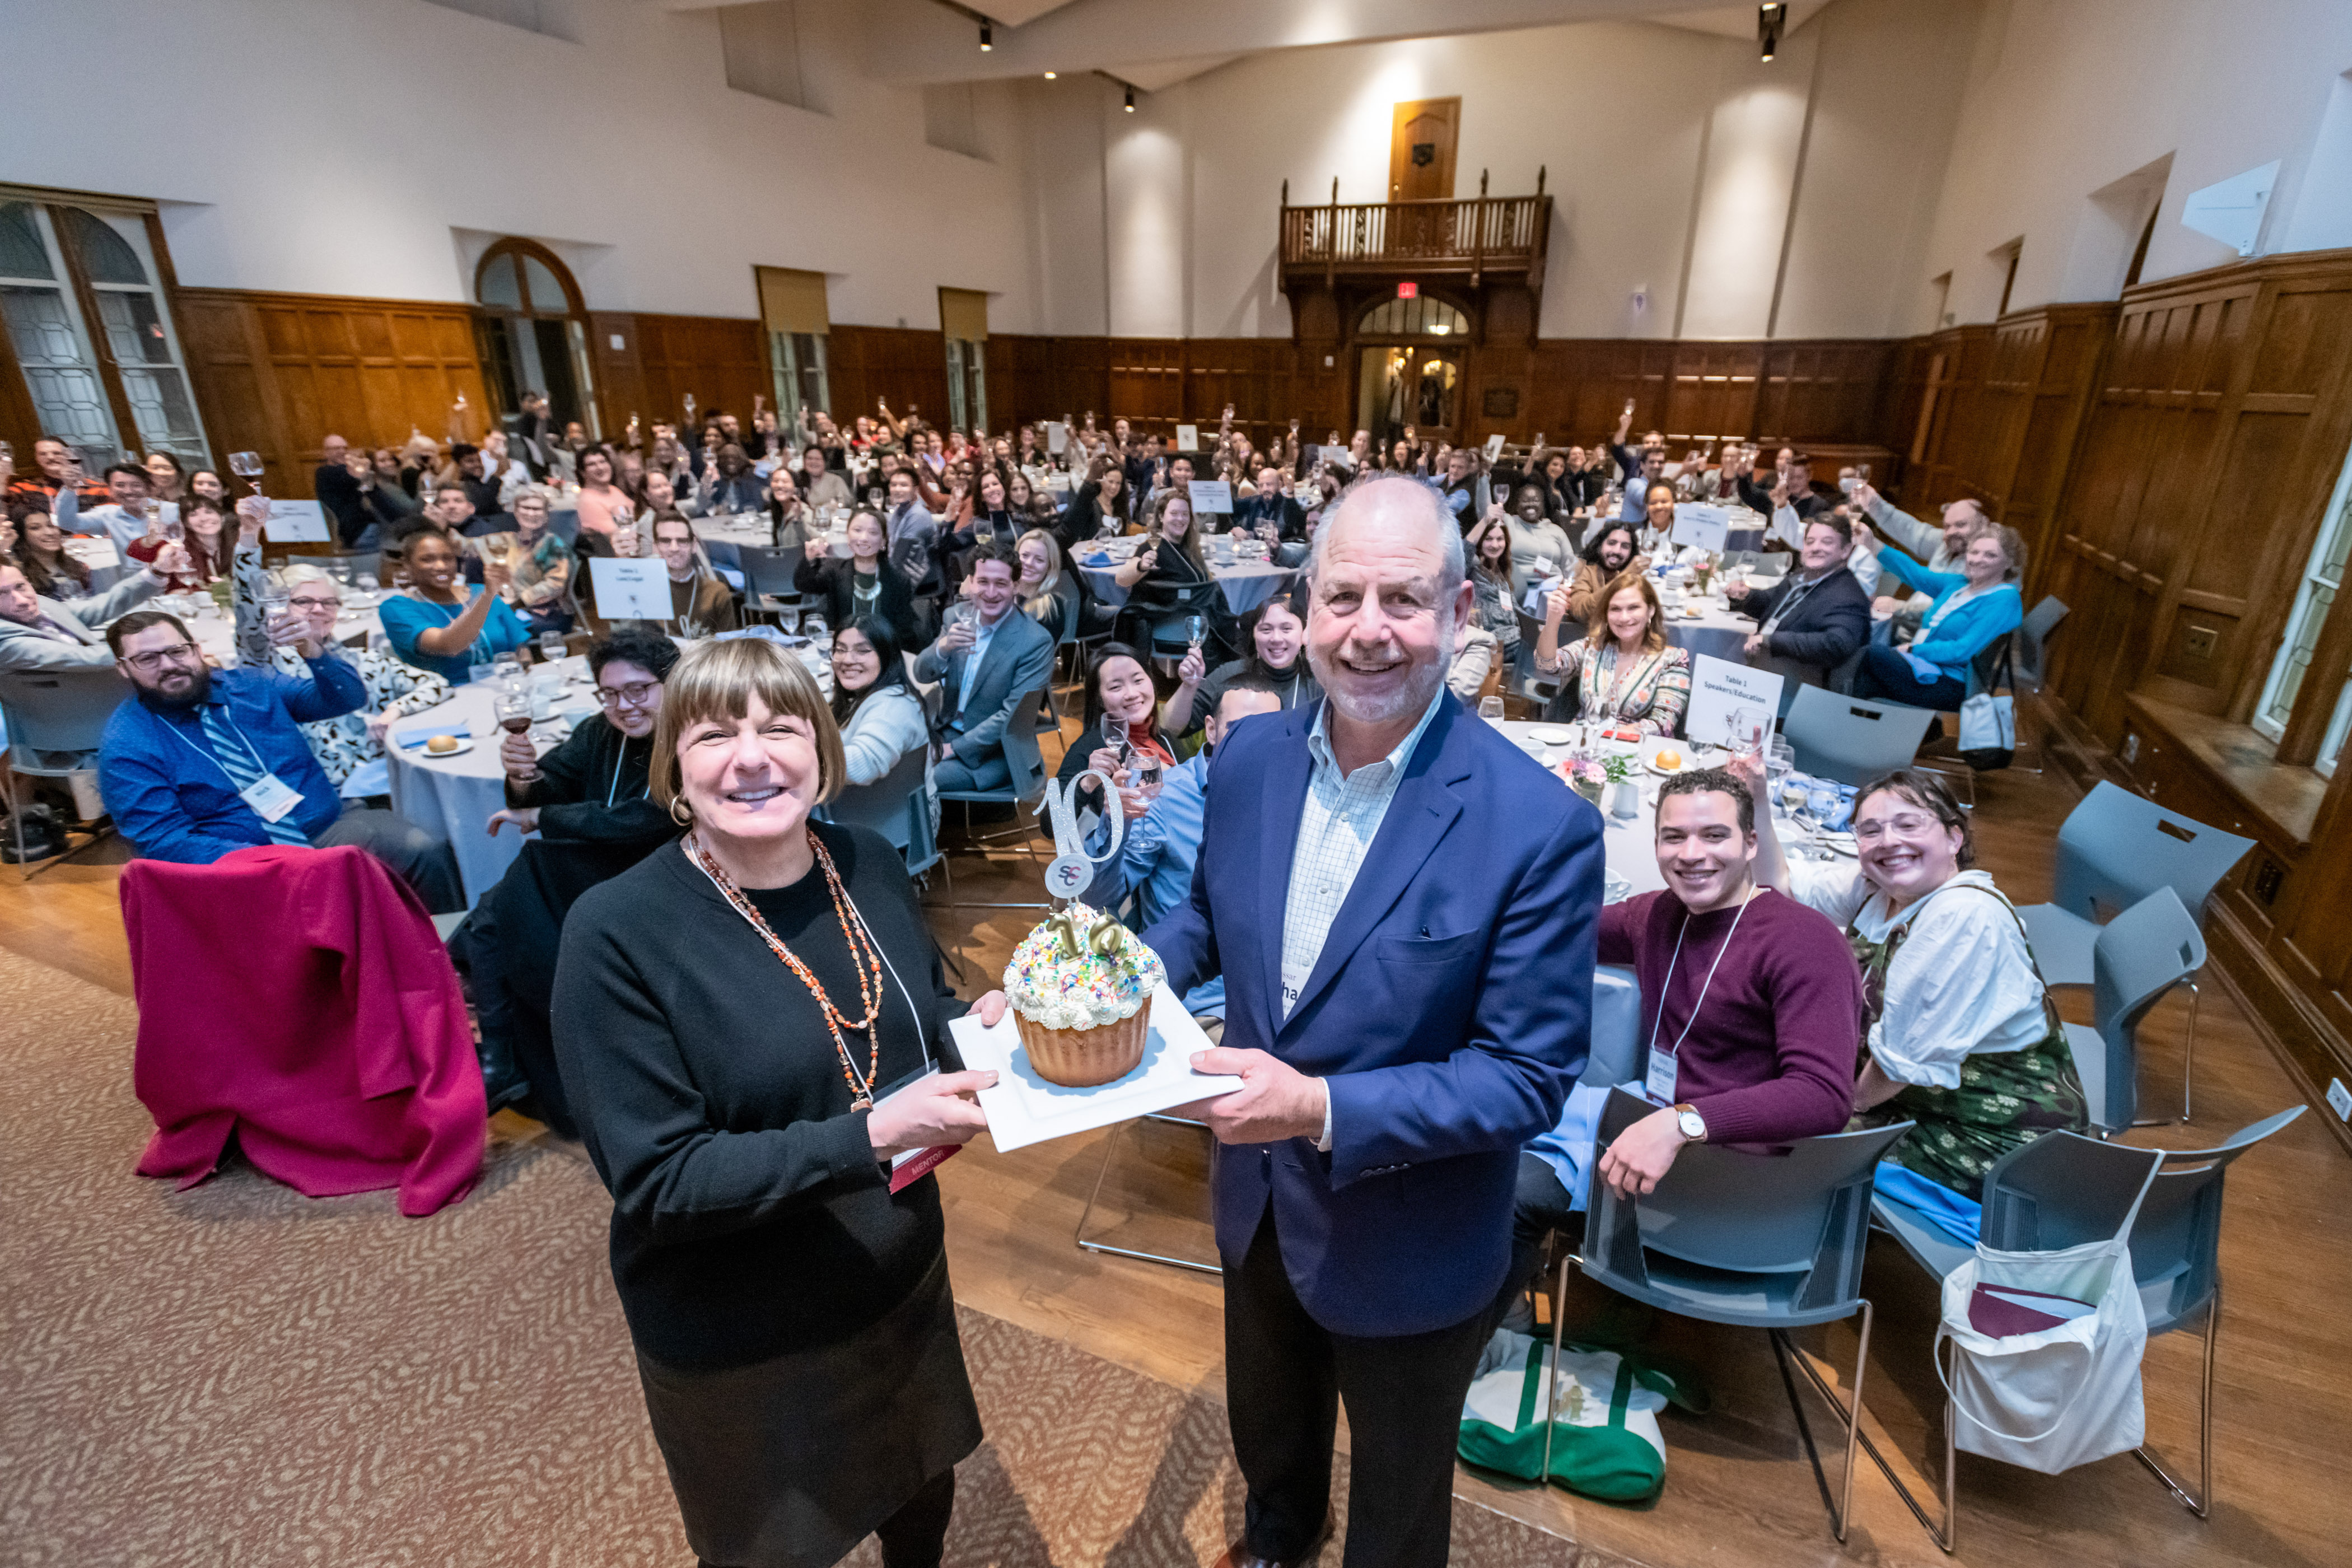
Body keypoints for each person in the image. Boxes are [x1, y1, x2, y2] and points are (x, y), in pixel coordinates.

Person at [1141, 473, 1601, 1568]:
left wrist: (1316, 1105)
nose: (1369, 631)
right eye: (1344, 596)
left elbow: (1526, 1076)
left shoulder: (1538, 825)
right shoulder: (1249, 757)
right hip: (1255, 1203)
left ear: (1458, 615)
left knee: (1397, 1508)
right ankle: (1276, 1541)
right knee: (1272, 1439)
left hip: (1412, 1235)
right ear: (1305, 605)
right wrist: (1091, 982)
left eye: (1404, 599)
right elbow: (1203, 915)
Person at [550, 638, 1009, 1568]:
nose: (752, 757)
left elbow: (904, 1020)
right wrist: (874, 1136)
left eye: (780, 728)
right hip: (744, 1333)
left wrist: (990, 1030)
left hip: (898, 1277)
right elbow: (662, 1182)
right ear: (674, 763)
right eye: (716, 734)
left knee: (920, 1497)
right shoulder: (616, 934)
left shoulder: (867, 863)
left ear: (822, 750)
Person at [1506, 768, 1861, 1310]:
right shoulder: (1659, 914)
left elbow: (1824, 1094)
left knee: (1505, 1195)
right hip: (1657, 1122)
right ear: (1656, 845)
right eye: (1675, 837)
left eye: (1714, 835)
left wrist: (1683, 1121)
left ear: (1751, 843)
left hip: (1732, 1174)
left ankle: (1470, 1350)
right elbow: (1558, 929)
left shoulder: (1805, 942)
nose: (1692, 853)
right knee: (1477, 1136)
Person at [1751, 766, 2088, 1201]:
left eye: (1909, 825)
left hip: (1996, 1144)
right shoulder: (1881, 890)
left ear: (1954, 838)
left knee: (1773, 1131)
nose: (1889, 841)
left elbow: (1894, 1070)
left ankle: (1765, 1238)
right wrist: (1758, 797)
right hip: (1918, 1102)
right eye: (1871, 830)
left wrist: (1820, 1101)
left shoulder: (1962, 917)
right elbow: (1779, 884)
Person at [97, 609, 462, 911]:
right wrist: (270, 864)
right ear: (123, 668)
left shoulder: (251, 686)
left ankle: (452, 963)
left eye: (177, 652)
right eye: (148, 659)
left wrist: (315, 653)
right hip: (246, 865)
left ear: (195, 649)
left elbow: (343, 699)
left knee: (426, 850)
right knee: (319, 909)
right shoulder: (128, 744)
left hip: (329, 827)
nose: (169, 666)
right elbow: (164, 840)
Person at [463, 629, 680, 1125]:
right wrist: (523, 777)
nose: (623, 706)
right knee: (496, 919)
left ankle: (512, 1065)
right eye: (609, 695)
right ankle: (510, 1062)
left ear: (672, 685)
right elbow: (549, 785)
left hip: (657, 874)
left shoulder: (690, 734)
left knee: (513, 892)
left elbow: (651, 818)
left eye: (638, 691)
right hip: (594, 867)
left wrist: (545, 819)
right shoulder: (598, 731)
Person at [1082, 676, 1285, 1037]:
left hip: (1274, 1000)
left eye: (1269, 730)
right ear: (1210, 729)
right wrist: (1116, 823)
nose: (1255, 744)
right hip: (1198, 1004)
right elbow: (1099, 896)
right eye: (1238, 730)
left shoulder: (1291, 796)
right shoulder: (1165, 799)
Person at [234, 558, 452, 800]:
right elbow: (247, 612)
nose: (319, 610)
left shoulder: (365, 662)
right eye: (304, 602)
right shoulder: (269, 667)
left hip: (384, 783)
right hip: (324, 795)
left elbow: (438, 684)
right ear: (278, 605)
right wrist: (249, 538)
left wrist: (396, 710)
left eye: (329, 602)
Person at [915, 544, 1056, 795]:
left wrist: (952, 749)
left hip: (993, 754)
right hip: (944, 732)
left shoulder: (1035, 641)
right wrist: (944, 648)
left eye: (1001, 583)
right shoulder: (956, 617)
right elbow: (921, 673)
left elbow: (1011, 716)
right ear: (970, 583)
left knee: (915, 780)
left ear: (1016, 585)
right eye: (983, 582)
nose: (991, 593)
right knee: (889, 763)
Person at [1852, 521, 2023, 711]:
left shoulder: (2004, 598)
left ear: (2008, 562)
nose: (1978, 559)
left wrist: (1913, 650)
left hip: (1950, 683)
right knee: (1868, 675)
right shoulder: (1961, 584)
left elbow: (1963, 651)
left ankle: (1853, 719)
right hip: (1926, 667)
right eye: (1974, 552)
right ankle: (1862, 721)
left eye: (1990, 555)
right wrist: (1874, 544)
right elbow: (1917, 575)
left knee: (1870, 654)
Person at [1725, 513, 1872, 698]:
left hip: (1800, 692)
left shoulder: (1847, 596)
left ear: (1846, 550)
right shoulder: (1801, 579)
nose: (1815, 548)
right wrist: (1746, 596)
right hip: (1767, 677)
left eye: (1827, 542)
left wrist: (1771, 640)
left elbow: (1837, 645)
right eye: (1810, 542)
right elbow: (1772, 605)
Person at [1546, 573, 1691, 736]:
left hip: (1633, 750)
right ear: (1606, 614)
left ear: (1651, 611)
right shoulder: (1593, 647)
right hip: (1581, 743)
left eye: (1633, 608)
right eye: (1615, 609)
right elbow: (1548, 665)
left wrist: (1603, 737)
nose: (1624, 617)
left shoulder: (1673, 660)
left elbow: (1661, 725)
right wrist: (1553, 619)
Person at [1164, 586, 1319, 738]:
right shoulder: (1230, 674)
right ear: (1254, 636)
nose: (1276, 639)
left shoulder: (1318, 679)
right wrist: (1188, 686)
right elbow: (1171, 729)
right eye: (1266, 630)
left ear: (1304, 633)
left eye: (1286, 629)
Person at [379, 530, 531, 683]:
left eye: (448, 558)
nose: (441, 566)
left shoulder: (480, 591)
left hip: (502, 687)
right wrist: (487, 597)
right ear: (408, 565)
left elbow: (520, 647)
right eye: (428, 560)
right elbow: (450, 646)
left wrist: (521, 675)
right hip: (446, 696)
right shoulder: (397, 608)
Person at [0, 550, 175, 673]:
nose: (22, 600)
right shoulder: (6, 642)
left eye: (20, 587)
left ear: (28, 582)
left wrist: (157, 571)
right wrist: (160, 646)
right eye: (2, 594)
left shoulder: (42, 604)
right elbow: (88, 658)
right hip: (85, 708)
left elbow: (100, 607)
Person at [1856, 484, 1985, 633]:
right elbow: (1911, 530)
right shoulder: (1951, 542)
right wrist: (1873, 503)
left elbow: (1951, 610)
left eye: (1961, 525)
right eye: (1947, 526)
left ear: (1983, 524)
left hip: (1930, 642)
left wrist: (1899, 608)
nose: (1951, 532)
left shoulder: (1988, 564)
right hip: (1907, 628)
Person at [796, 510, 920, 652]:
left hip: (883, 653)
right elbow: (803, 584)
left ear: (883, 542)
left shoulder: (898, 580)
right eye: (857, 530)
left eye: (873, 533)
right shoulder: (835, 571)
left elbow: (905, 633)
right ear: (847, 536)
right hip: (844, 652)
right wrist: (810, 559)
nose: (864, 538)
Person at [475, 487, 576, 637]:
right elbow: (465, 547)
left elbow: (555, 584)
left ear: (546, 514)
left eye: (537, 509)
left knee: (499, 627)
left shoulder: (554, 543)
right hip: (514, 607)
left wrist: (519, 602)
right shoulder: (508, 540)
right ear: (516, 511)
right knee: (482, 623)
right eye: (526, 508)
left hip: (550, 613)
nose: (531, 513)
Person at [649, 516, 740, 636]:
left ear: (694, 546)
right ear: (656, 547)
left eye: (682, 541)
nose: (674, 548)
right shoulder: (648, 592)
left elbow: (728, 644)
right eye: (666, 541)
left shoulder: (716, 593)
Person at [126, 492, 235, 588]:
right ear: (186, 523)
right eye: (193, 514)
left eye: (209, 512)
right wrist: (151, 540)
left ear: (222, 517)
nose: (203, 518)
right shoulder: (179, 546)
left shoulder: (238, 543)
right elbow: (134, 551)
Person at [1463, 512, 1523, 673]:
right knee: (1535, 647)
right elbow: (1464, 550)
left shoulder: (1502, 573)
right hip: (1490, 639)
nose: (1495, 545)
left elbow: (1515, 610)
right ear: (1481, 541)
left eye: (1500, 539)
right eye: (1488, 539)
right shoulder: (1472, 568)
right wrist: (1485, 520)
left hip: (1514, 637)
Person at [10, 503, 94, 600]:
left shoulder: (78, 567)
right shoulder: (18, 574)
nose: (49, 533)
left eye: (51, 526)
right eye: (35, 528)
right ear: (22, 535)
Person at [882, 468, 944, 597]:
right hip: (905, 578)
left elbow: (899, 557)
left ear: (915, 490)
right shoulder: (900, 510)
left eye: (904, 485)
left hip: (923, 586)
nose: (898, 489)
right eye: (894, 485)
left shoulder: (918, 515)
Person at [7, 436, 111, 509]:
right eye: (43, 454)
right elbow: (4, 507)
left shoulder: (98, 488)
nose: (50, 457)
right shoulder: (23, 487)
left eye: (57, 453)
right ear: (37, 458)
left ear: (69, 456)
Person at [1011, 528, 1072, 636]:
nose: (1029, 563)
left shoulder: (1050, 608)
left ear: (1049, 567)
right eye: (1025, 555)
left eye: (1039, 560)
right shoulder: (1001, 593)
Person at [315, 435, 371, 545]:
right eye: (337, 448)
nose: (343, 451)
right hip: (357, 532)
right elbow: (363, 480)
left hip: (361, 528)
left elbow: (366, 487)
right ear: (326, 453)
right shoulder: (326, 472)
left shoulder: (346, 471)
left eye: (345, 448)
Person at [573, 448, 630, 543]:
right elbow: (615, 535)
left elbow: (638, 514)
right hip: (613, 554)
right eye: (592, 464)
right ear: (582, 473)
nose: (600, 467)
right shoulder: (586, 500)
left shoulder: (614, 490)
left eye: (603, 462)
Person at [762, 468, 816, 552]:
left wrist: (798, 520)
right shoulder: (780, 511)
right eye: (776, 481)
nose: (780, 485)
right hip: (784, 562)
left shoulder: (804, 512)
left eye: (785, 482)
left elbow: (813, 545)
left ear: (796, 489)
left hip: (800, 564)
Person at [796, 443, 852, 511]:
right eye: (810, 458)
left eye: (818, 459)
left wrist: (835, 505)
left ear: (824, 462)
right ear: (804, 462)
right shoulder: (797, 480)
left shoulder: (835, 480)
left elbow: (847, 501)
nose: (813, 462)